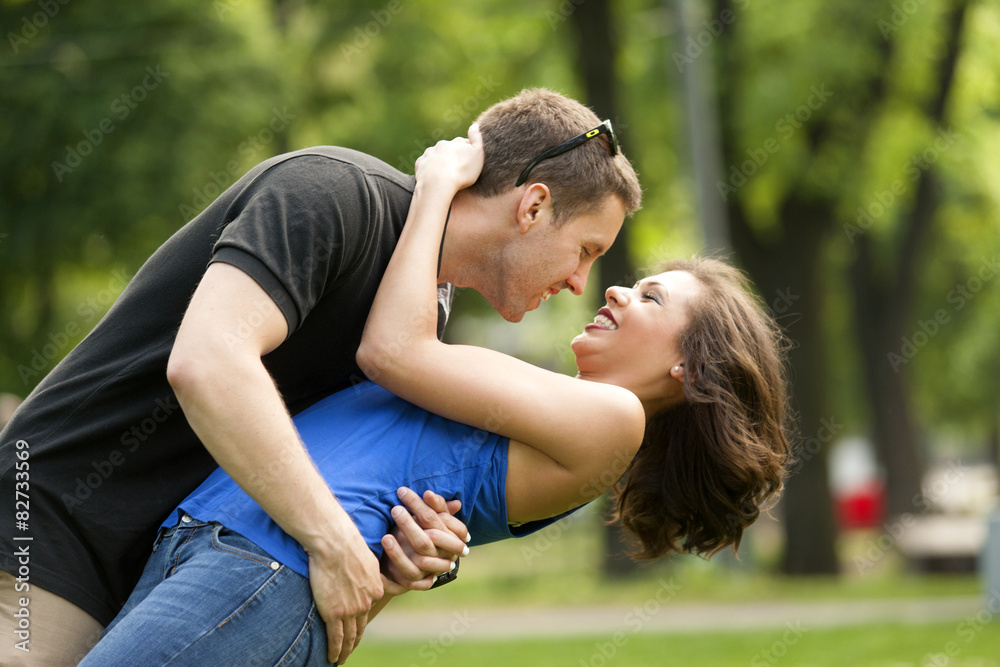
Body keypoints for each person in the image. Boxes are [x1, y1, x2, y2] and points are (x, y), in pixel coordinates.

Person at [78, 127, 792, 665]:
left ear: (690, 371)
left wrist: (435, 190)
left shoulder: (613, 420)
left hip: (269, 568)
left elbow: (393, 352)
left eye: (650, 297)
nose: (609, 288)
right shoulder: (552, 407)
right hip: (217, 541)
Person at [0, 89, 643, 666]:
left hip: (163, 567)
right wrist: (333, 541)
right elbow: (208, 362)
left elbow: (340, 457)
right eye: (586, 249)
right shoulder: (333, 193)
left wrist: (413, 549)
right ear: (532, 206)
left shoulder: (420, 310)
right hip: (48, 527)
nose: (579, 284)